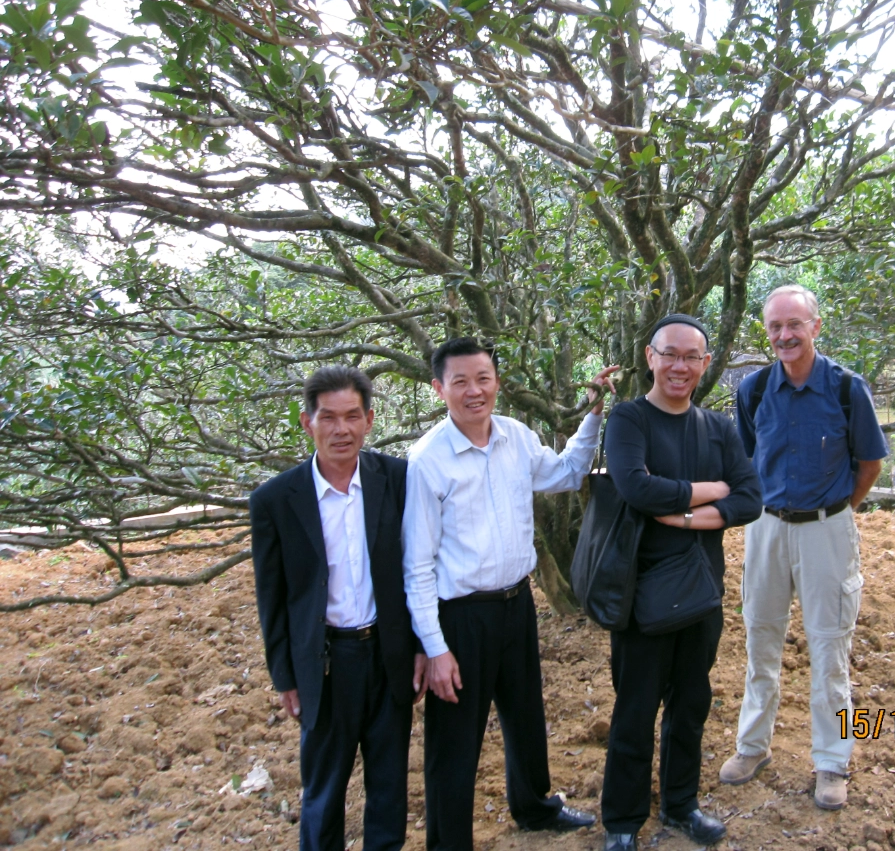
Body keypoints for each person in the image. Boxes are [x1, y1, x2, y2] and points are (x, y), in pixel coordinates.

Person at [402, 336, 618, 851]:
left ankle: (535, 807)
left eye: (483, 379)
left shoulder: (516, 437)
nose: (474, 391)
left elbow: (566, 473)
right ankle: (449, 841)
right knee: (455, 738)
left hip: (516, 603)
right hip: (460, 617)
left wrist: (594, 412)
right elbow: (416, 566)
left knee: (525, 715)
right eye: (460, 382)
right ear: (439, 389)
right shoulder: (427, 460)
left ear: (496, 381)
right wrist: (434, 647)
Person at [719, 286, 889, 811]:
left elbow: (869, 464)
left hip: (827, 530)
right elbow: (745, 463)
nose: (784, 336)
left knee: (829, 648)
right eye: (775, 327)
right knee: (760, 640)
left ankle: (832, 762)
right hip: (767, 528)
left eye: (794, 325)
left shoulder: (845, 389)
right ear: (767, 333)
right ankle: (752, 746)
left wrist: (837, 515)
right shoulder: (752, 391)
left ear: (816, 327)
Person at [600, 314, 763, 851]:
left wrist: (689, 515)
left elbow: (748, 499)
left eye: (692, 357)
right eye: (670, 354)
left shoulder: (717, 427)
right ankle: (622, 822)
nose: (680, 367)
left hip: (700, 590)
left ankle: (680, 804)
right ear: (649, 356)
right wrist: (709, 488)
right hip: (641, 592)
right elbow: (635, 488)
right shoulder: (628, 420)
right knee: (636, 708)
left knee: (691, 703)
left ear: (705, 364)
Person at [250, 365, 426, 851]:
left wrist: (420, 647)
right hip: (325, 664)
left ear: (370, 419)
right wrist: (285, 675)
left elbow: (418, 568)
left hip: (389, 655)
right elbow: (273, 596)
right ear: (307, 422)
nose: (341, 430)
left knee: (389, 786)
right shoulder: (275, 500)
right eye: (328, 418)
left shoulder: (398, 479)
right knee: (323, 790)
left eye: (352, 416)